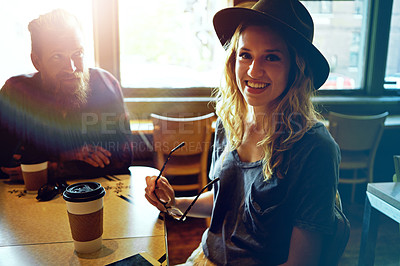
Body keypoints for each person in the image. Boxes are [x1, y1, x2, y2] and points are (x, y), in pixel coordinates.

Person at [145, 0, 346, 265]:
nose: (253, 70)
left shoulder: (315, 147)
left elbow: (301, 262)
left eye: (271, 57)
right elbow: (225, 200)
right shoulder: (229, 122)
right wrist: (174, 203)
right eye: (245, 54)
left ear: (296, 69)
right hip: (205, 256)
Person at [0, 9, 133, 181]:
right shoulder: (16, 93)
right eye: (57, 57)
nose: (72, 67)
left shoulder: (104, 85)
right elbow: (6, 164)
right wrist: (65, 157)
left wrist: (44, 167)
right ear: (37, 61)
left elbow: (121, 158)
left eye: (77, 54)